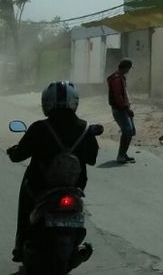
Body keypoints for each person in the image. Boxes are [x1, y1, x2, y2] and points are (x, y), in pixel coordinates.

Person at [6, 80, 99, 263]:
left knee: (25, 203)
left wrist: (13, 151)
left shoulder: (39, 128)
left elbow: (18, 156)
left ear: (46, 102)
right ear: (75, 101)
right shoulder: (85, 129)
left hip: (39, 187)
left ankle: (20, 245)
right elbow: (92, 159)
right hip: (74, 187)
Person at [107, 58, 136, 163]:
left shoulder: (120, 78)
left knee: (130, 131)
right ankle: (121, 156)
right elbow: (118, 96)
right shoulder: (117, 79)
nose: (129, 71)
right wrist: (126, 109)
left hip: (123, 109)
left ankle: (123, 154)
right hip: (120, 110)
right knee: (127, 131)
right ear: (126, 68)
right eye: (128, 68)